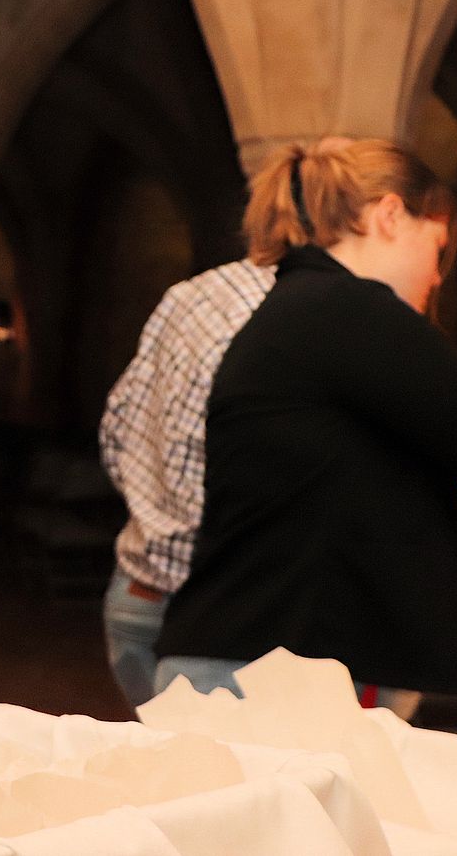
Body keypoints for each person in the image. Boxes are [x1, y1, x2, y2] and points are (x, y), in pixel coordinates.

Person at [152, 137, 457, 701]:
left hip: (258, 660)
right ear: (391, 216)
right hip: (263, 672)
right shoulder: (347, 311)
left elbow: (360, 501)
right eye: (438, 246)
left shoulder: (312, 309)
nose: (438, 276)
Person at [99, 259, 273, 709]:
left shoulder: (190, 294)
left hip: (137, 588)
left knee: (172, 762)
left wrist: (155, 516)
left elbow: (118, 426)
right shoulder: (288, 314)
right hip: (218, 605)